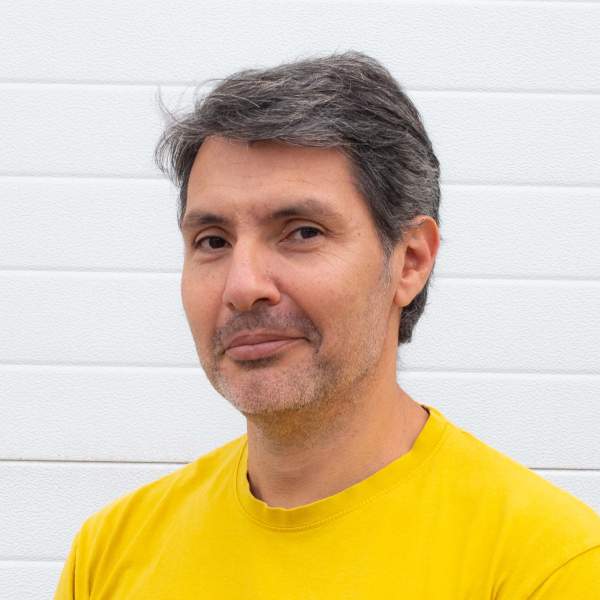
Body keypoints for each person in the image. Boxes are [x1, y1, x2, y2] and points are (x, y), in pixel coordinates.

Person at [54, 51, 600, 599]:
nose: (242, 286)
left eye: (302, 232)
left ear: (409, 262)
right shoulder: (111, 553)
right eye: (213, 241)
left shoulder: (550, 567)